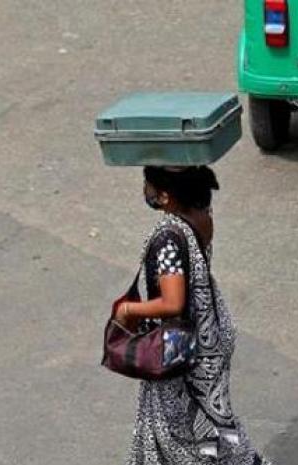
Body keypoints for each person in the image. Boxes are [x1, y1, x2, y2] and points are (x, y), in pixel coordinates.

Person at [113, 166, 268, 465]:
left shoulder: (168, 239)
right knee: (210, 419)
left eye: (148, 185)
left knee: (181, 432)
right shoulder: (201, 218)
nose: (145, 191)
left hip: (181, 349)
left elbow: (173, 302)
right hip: (209, 337)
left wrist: (128, 309)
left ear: (167, 196)